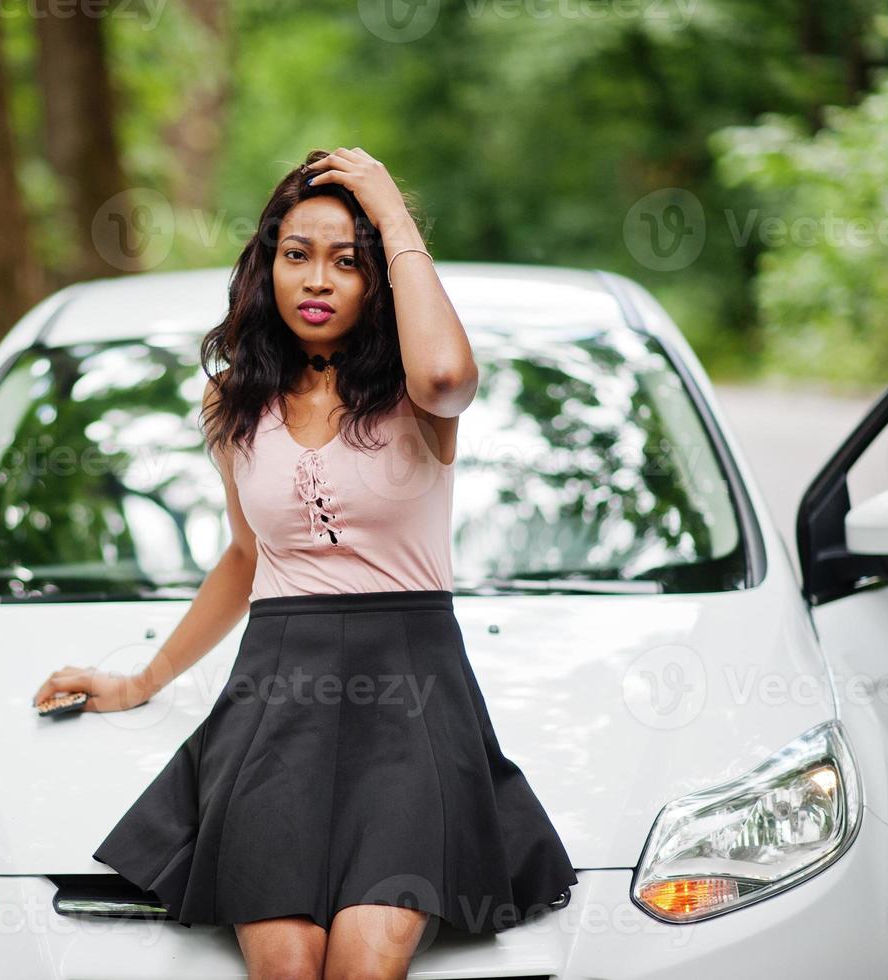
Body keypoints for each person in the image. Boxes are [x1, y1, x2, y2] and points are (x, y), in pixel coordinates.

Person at [30, 146, 577, 979]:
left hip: (412, 695)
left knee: (366, 957)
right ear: (266, 269)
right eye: (296, 256)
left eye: (345, 262)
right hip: (275, 698)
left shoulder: (416, 393)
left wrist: (392, 213)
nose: (316, 280)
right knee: (285, 965)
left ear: (378, 280)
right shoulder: (232, 401)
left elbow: (445, 371)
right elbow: (247, 557)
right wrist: (142, 681)